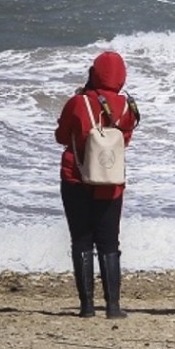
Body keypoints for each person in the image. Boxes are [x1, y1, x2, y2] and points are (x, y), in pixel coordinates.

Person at [55, 51, 139, 319]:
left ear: (94, 72)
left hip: (75, 177)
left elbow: (60, 136)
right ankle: (113, 307)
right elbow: (124, 141)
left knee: (81, 240)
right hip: (110, 180)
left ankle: (87, 306)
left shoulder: (78, 102)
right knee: (109, 242)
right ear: (121, 76)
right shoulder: (127, 106)